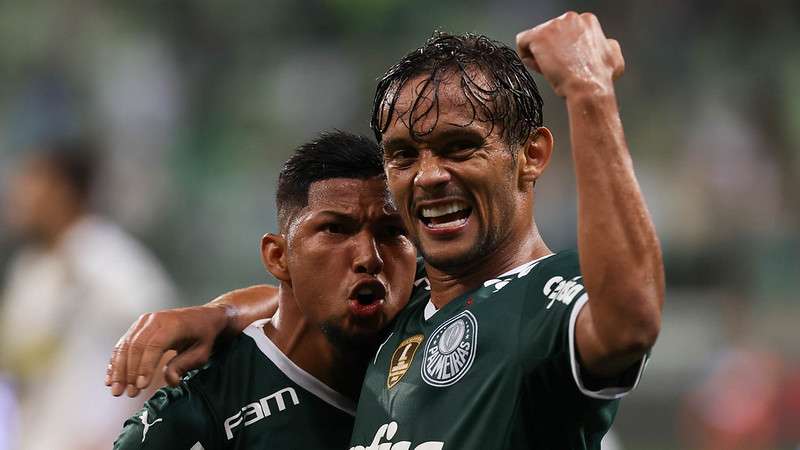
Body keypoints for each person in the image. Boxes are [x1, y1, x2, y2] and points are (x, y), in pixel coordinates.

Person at [108, 12, 664, 449]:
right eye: (403, 155)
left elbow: (629, 321)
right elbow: (314, 291)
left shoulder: (551, 296)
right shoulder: (406, 307)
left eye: (458, 147)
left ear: (531, 156)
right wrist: (216, 315)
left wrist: (589, 93)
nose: (428, 176)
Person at [113, 131, 417, 449]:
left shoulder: (437, 309)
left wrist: (223, 314)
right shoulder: (197, 420)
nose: (370, 257)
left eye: (392, 231)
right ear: (278, 256)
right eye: (335, 229)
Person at [0, 139, 177, 450]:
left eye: (31, 181)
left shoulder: (107, 257)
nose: (18, 194)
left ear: (62, 191)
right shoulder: (31, 269)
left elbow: (167, 346)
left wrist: (128, 433)